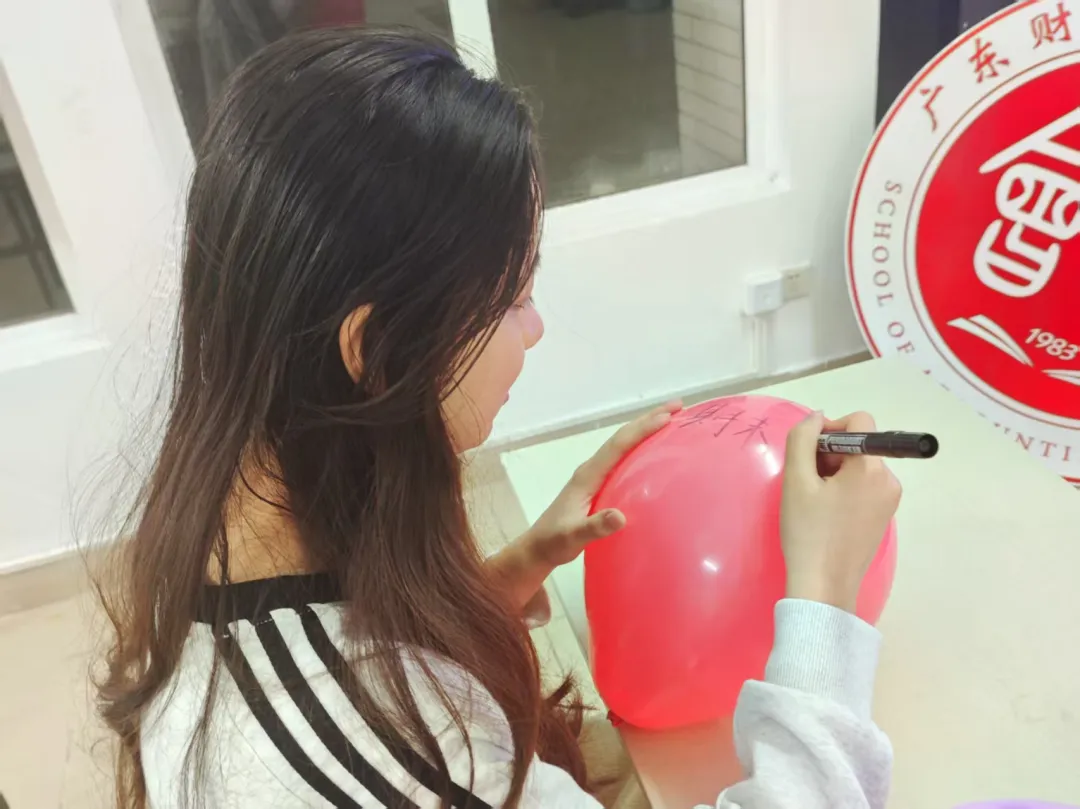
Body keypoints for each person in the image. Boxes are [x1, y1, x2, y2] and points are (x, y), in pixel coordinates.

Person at [93, 28, 901, 809]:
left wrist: (502, 579)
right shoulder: (398, 749)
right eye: (513, 296)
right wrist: (824, 602)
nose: (535, 326)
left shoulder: (215, 535)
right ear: (377, 349)